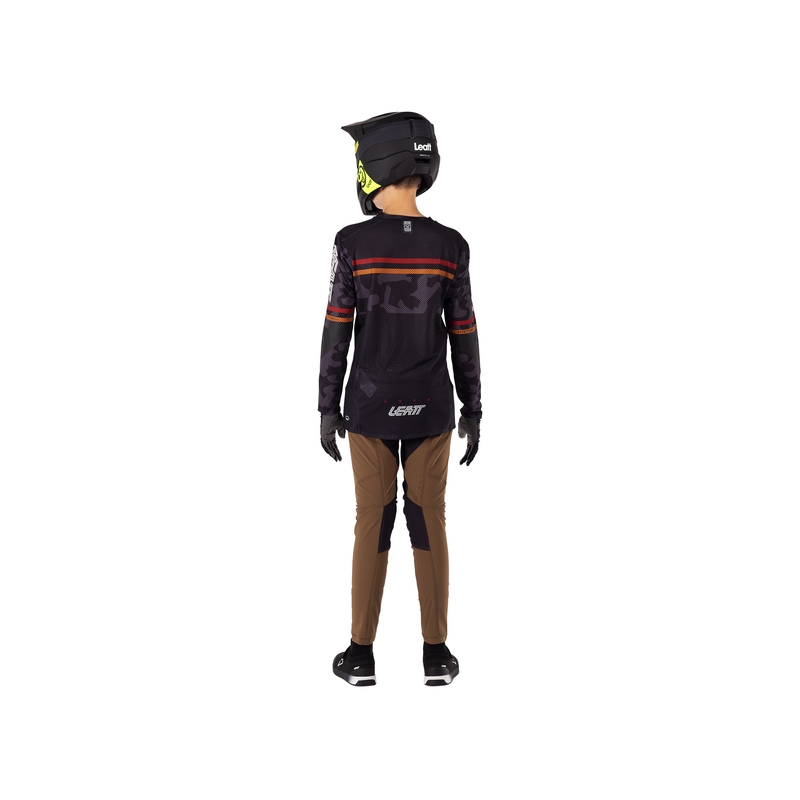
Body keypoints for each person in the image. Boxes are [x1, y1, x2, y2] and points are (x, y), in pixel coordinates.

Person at [318, 112, 481, 686]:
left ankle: (360, 655)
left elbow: (337, 329)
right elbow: (464, 331)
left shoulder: (352, 243)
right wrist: (474, 407)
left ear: (375, 166)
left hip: (368, 405)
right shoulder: (450, 246)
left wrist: (326, 406)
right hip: (432, 404)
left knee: (373, 519)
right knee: (428, 518)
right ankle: (437, 655)